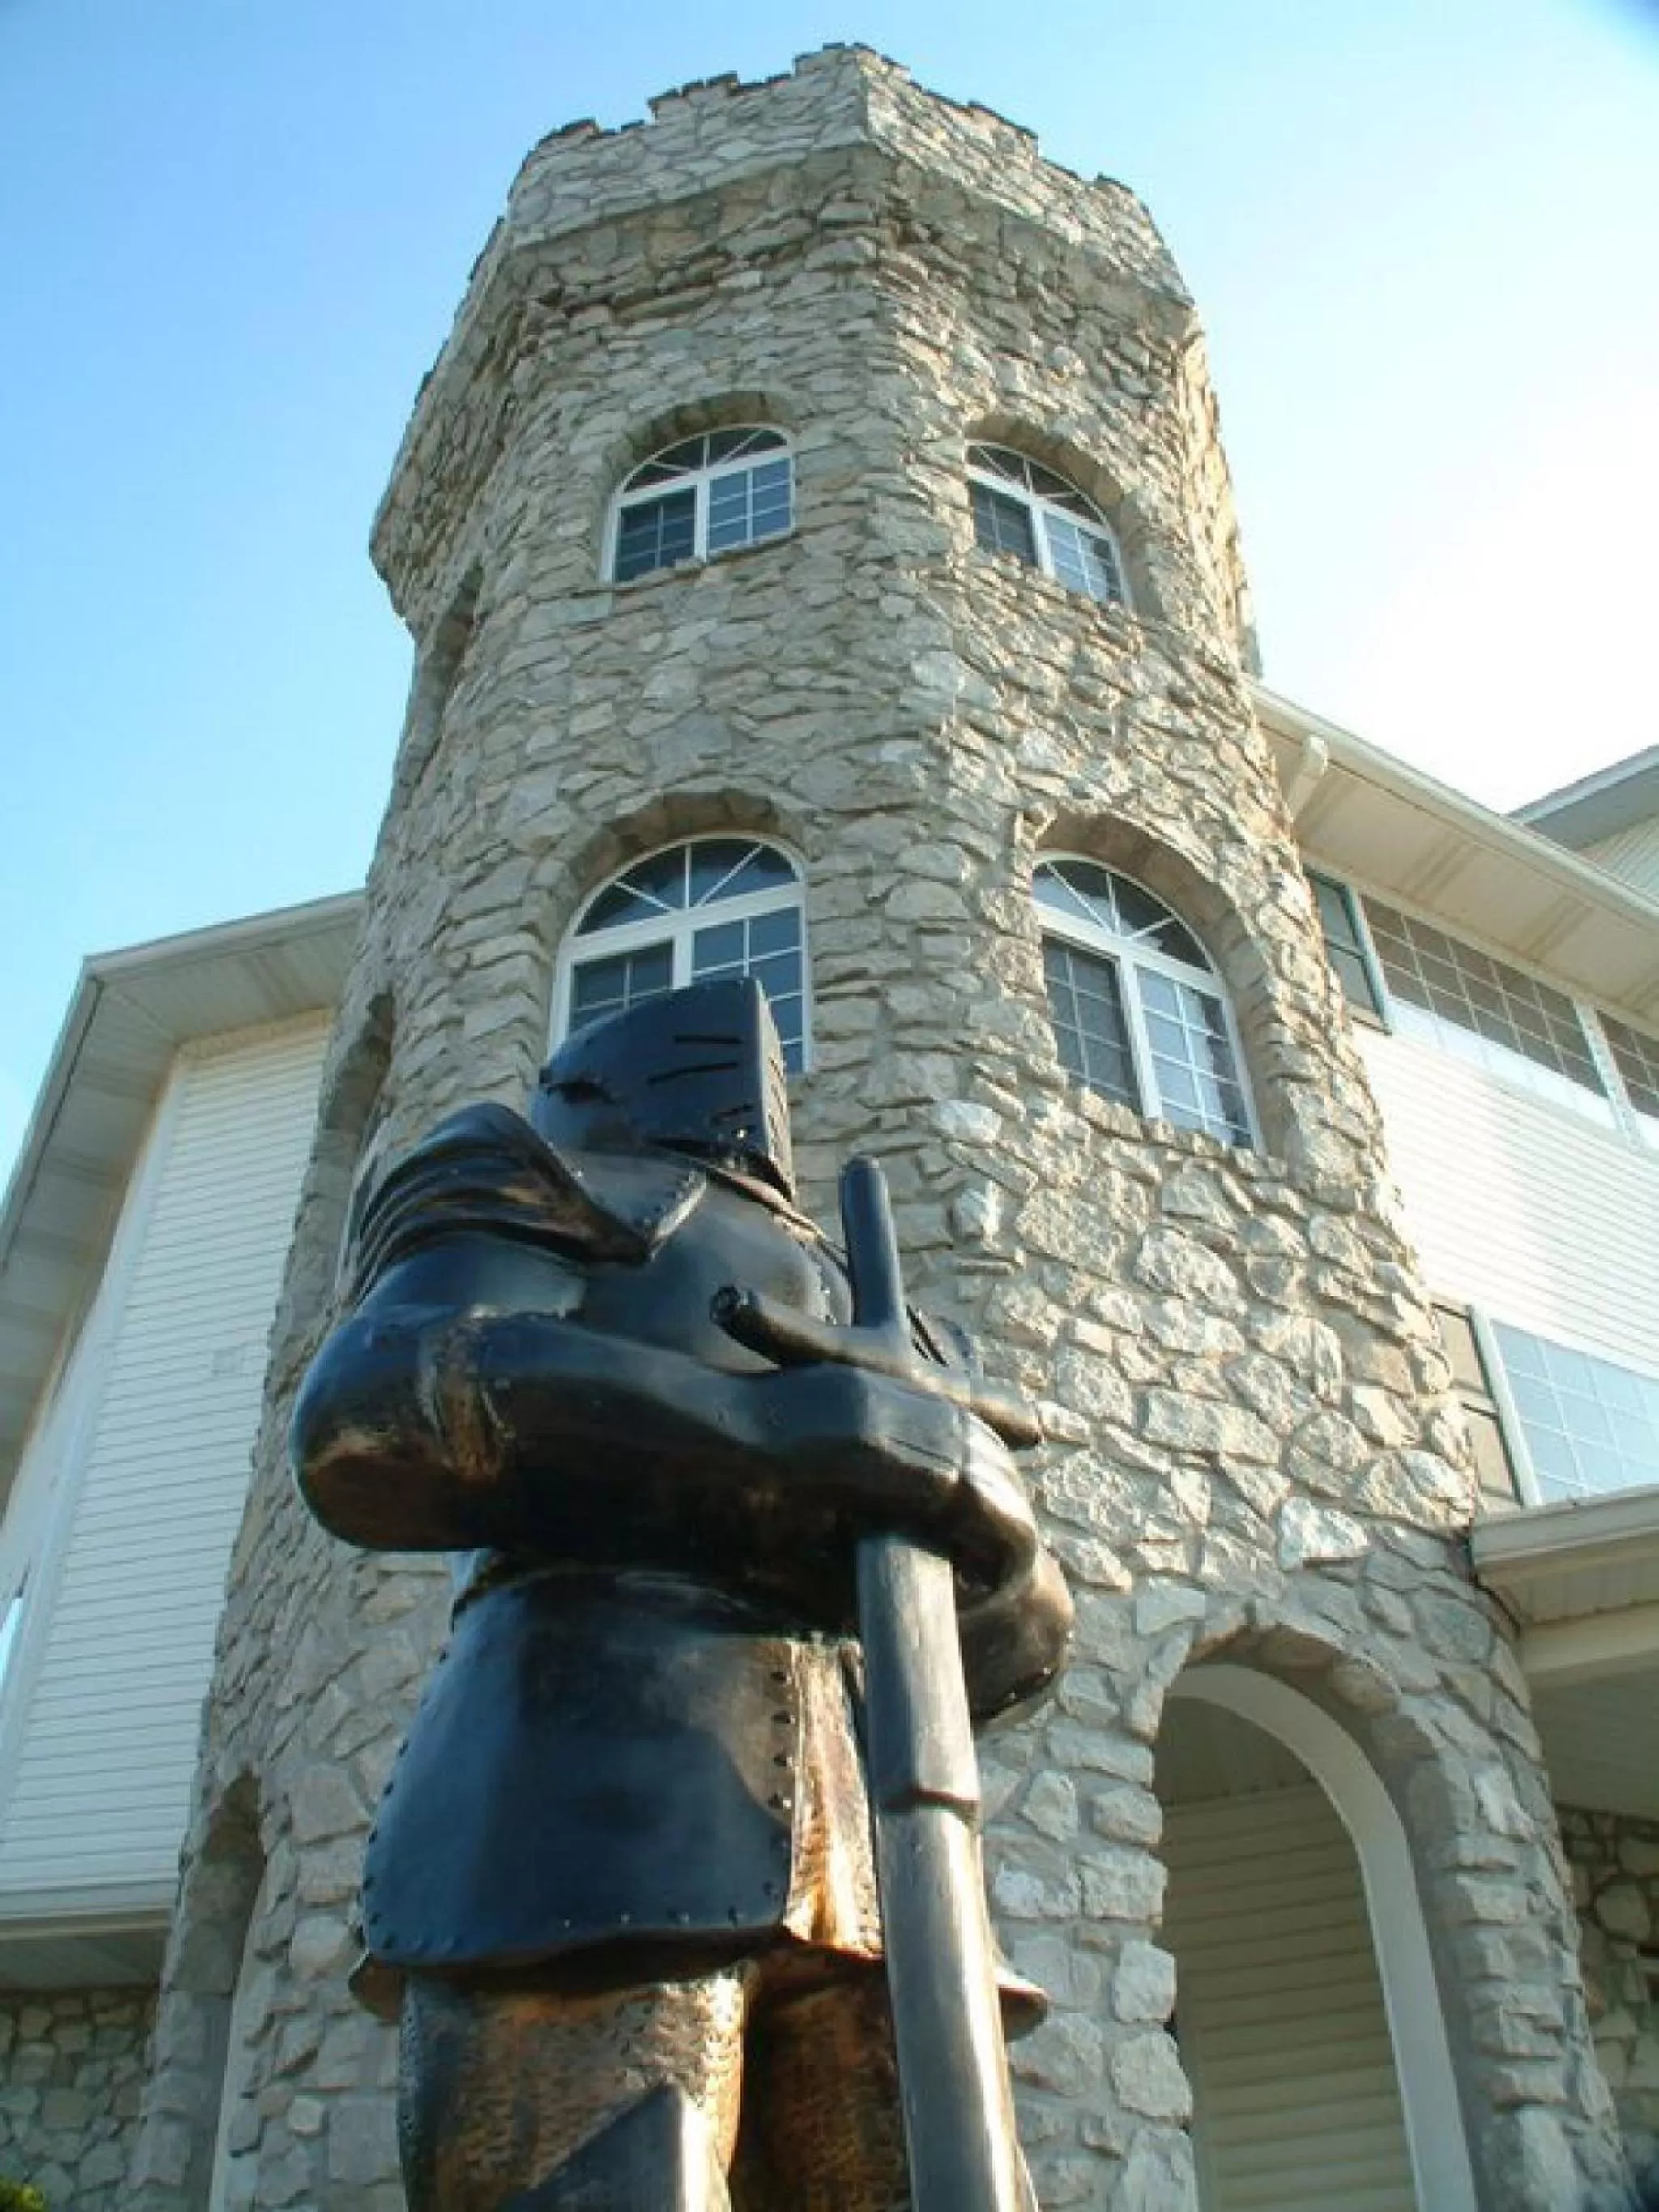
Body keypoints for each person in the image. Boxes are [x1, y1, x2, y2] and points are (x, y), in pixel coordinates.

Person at [292, 978, 1070, 2210]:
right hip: (590, 1811)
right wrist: (760, 1432)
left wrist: (996, 1527)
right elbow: (381, 1404)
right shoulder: (538, 1176)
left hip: (881, 1864)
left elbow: (1008, 1648)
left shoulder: (886, 1308)